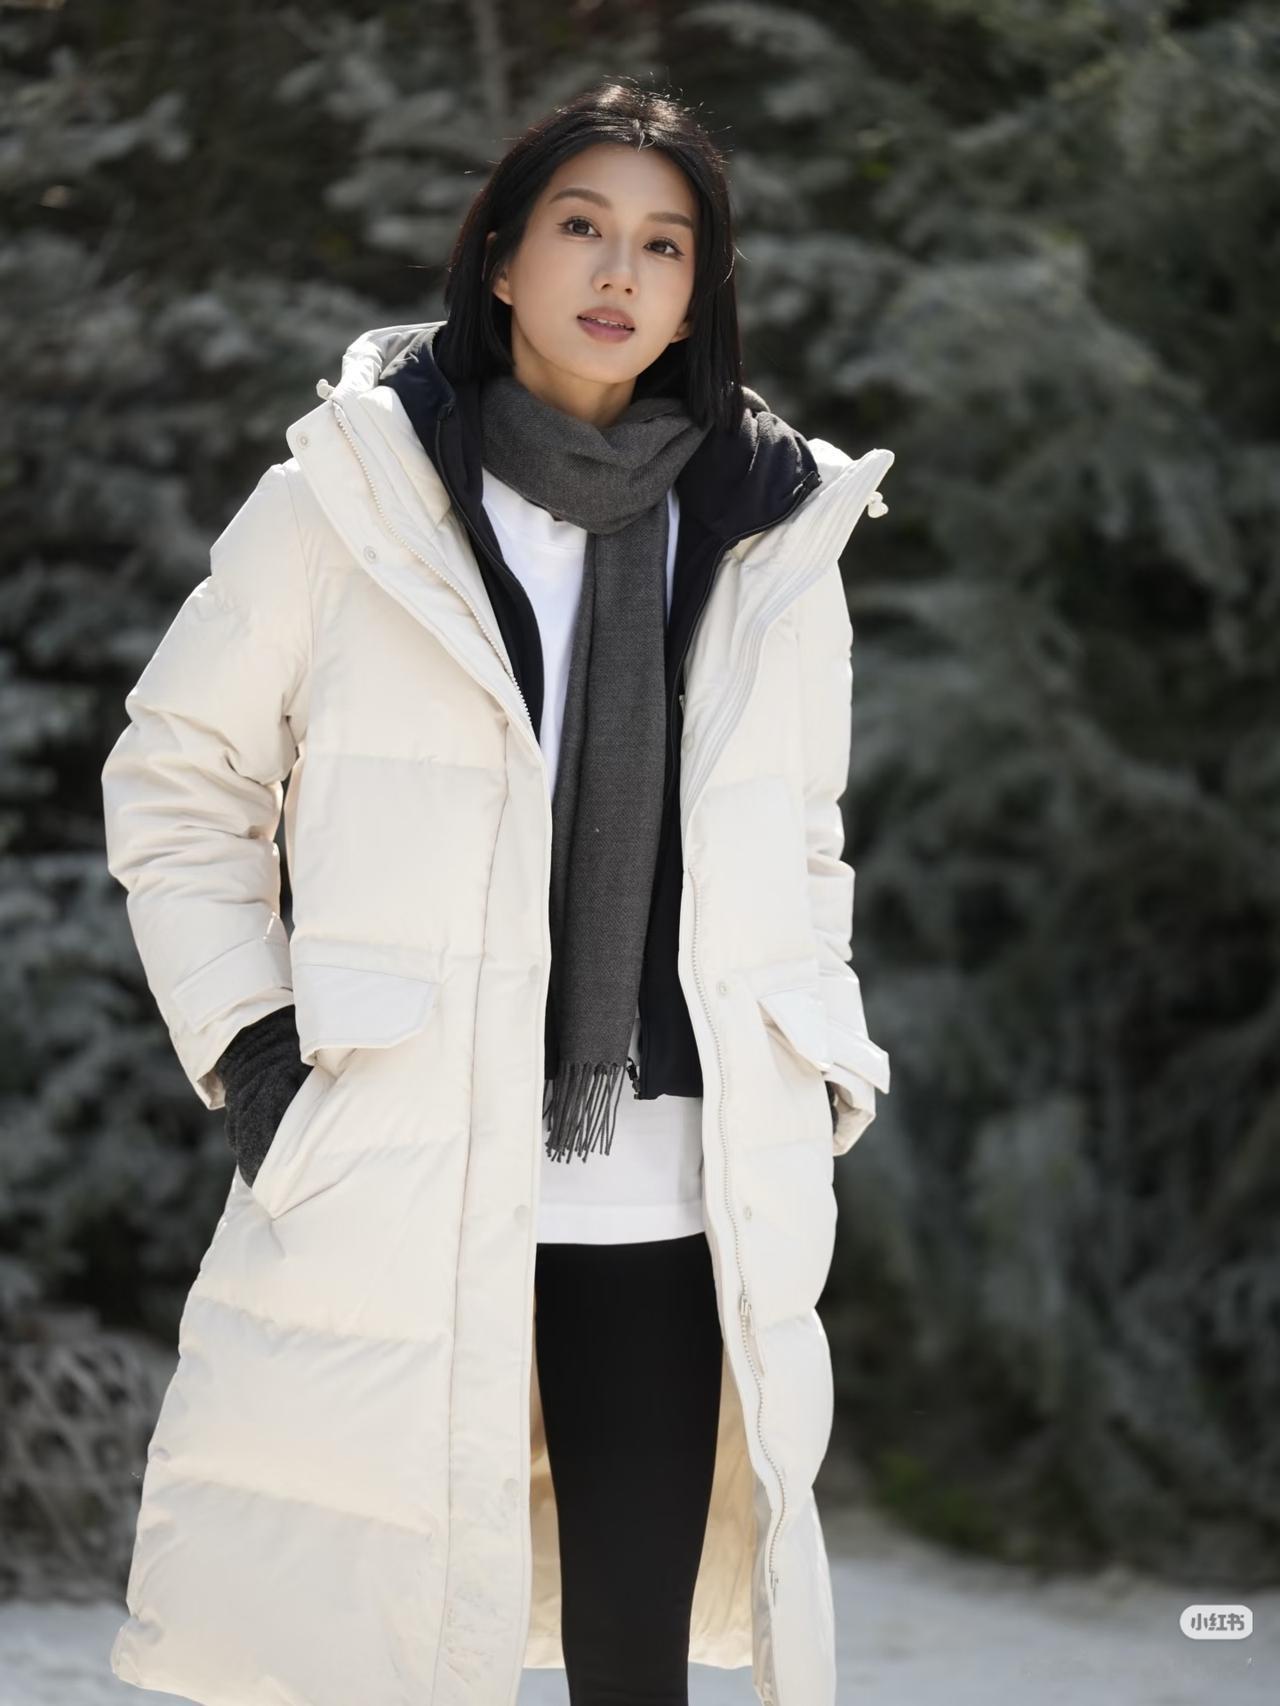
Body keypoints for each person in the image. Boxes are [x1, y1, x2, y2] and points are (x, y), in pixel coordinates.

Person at [101, 74, 893, 1706]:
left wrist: (817, 1056)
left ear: (700, 290)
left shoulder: (768, 528)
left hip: (675, 1176)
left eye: (664, 244)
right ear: (504, 259)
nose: (619, 271)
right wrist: (254, 1046)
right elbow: (180, 780)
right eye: (582, 226)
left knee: (635, 1661)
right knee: (373, 1653)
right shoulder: (351, 499)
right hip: (403, 1154)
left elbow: (804, 834)